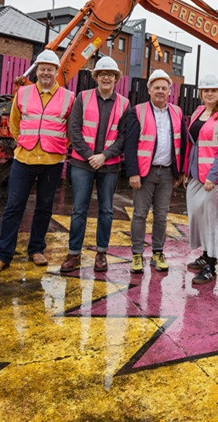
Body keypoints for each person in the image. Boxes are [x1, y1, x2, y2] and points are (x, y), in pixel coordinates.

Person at [0, 50, 74, 275]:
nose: (46, 72)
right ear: (37, 71)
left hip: (52, 160)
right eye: (42, 68)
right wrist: (24, 142)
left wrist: (60, 146)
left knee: (44, 207)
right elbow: (14, 123)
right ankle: (3, 255)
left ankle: (36, 249)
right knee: (14, 206)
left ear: (56, 72)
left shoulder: (68, 97)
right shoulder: (23, 93)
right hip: (24, 158)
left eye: (50, 69)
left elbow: (71, 128)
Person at [60, 56, 130, 273]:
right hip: (83, 164)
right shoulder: (83, 97)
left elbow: (123, 136)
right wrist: (91, 155)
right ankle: (74, 254)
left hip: (109, 166)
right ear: (96, 77)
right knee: (79, 210)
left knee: (106, 211)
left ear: (116, 78)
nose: (106, 77)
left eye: (110, 74)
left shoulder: (124, 104)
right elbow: (74, 129)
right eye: (102, 74)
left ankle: (101, 253)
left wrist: (104, 156)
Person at [124, 69, 185, 273]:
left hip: (167, 173)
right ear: (149, 89)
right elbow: (130, 144)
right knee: (140, 214)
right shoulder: (138, 111)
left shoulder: (177, 112)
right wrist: (133, 172)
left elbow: (182, 143)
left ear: (170, 90)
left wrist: (181, 171)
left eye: (164, 88)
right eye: (156, 87)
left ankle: (158, 252)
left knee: (161, 216)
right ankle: (137, 254)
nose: (160, 91)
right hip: (145, 173)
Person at [185, 74, 218, 284]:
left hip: (214, 178)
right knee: (198, 214)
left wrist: (212, 176)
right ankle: (205, 253)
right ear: (201, 93)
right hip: (196, 174)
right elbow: (193, 143)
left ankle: (211, 266)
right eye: (205, 91)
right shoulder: (199, 111)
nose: (209, 94)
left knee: (212, 218)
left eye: (213, 91)